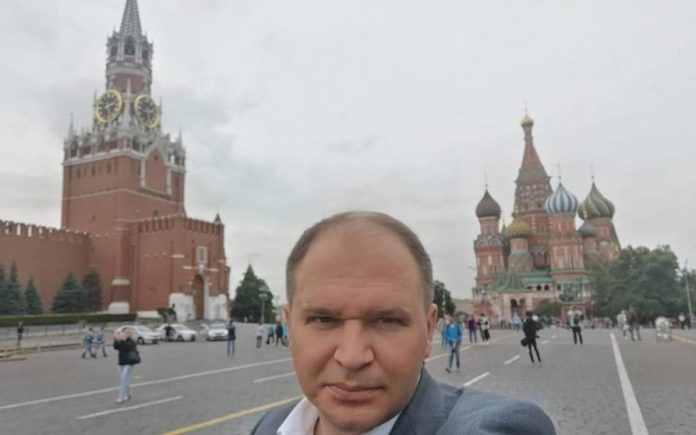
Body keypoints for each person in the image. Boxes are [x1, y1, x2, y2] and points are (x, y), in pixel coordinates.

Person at [251, 211, 556, 434]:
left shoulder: (496, 428)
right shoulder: (270, 427)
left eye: (387, 320)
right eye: (323, 319)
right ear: (289, 328)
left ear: (427, 330)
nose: (352, 357)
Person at [113, 328, 140, 404]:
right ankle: (128, 394)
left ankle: (120, 397)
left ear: (129, 334)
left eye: (125, 333)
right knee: (125, 379)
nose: (123, 334)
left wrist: (122, 340)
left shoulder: (132, 342)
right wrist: (116, 339)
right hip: (121, 362)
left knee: (123, 380)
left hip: (129, 363)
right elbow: (116, 347)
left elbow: (127, 348)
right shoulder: (122, 341)